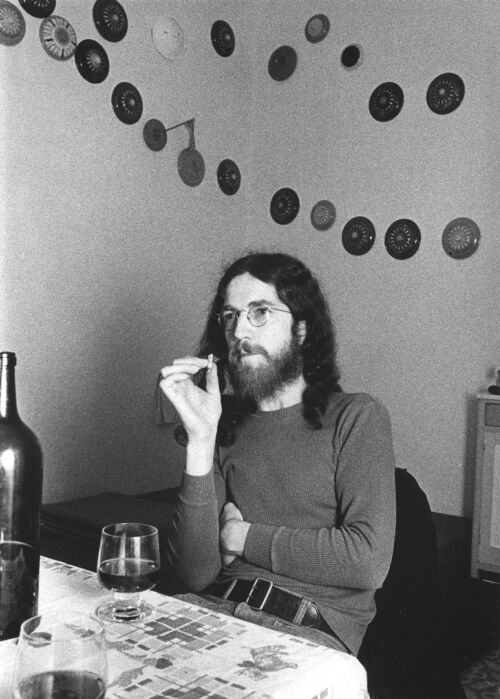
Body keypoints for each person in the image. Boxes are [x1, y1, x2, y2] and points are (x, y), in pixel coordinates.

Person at [160, 251, 396, 657]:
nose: (239, 331)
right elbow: (195, 575)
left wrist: (239, 536)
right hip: (211, 611)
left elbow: (366, 561)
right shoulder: (219, 424)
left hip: (305, 628)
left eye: (261, 312)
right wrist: (201, 439)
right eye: (230, 316)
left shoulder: (357, 416)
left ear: (301, 330)